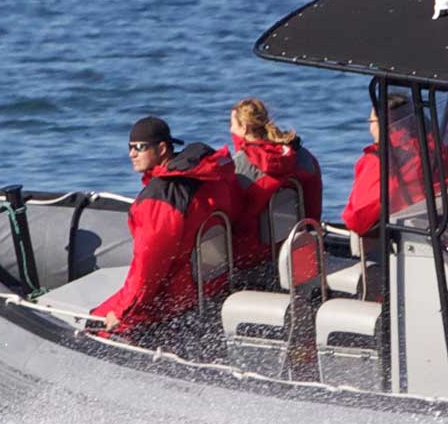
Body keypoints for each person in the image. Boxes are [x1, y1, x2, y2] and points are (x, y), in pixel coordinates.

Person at [94, 116, 238, 341]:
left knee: (95, 322)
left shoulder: (161, 197)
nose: (131, 154)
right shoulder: (208, 178)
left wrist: (123, 312)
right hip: (209, 286)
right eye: (130, 148)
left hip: (174, 298)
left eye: (139, 148)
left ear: (162, 149)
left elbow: (149, 267)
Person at [226, 97, 323, 268]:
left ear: (244, 128)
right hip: (295, 247)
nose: (230, 129)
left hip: (253, 257)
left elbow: (233, 222)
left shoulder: (238, 168)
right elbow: (313, 209)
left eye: (232, 125)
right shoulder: (303, 157)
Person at [340, 93, 448, 236]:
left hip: (410, 235)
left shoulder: (380, 160)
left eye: (371, 122)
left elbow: (357, 219)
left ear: (382, 124)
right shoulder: (439, 145)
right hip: (444, 218)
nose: (370, 129)